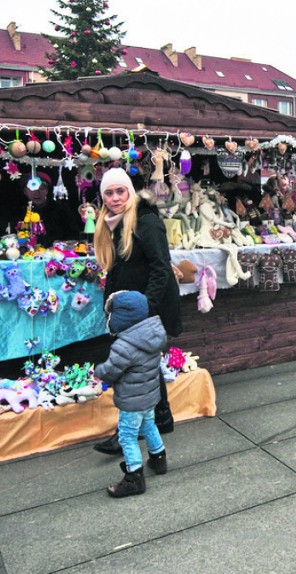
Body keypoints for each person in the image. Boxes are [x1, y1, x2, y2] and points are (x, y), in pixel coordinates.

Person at [93, 168, 182, 455]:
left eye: (121, 191)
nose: (115, 197)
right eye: (109, 192)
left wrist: (146, 307)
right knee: (145, 365)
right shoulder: (114, 223)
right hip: (130, 308)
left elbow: (161, 268)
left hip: (144, 308)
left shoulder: (146, 222)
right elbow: (121, 268)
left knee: (134, 369)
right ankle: (162, 417)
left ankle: (128, 432)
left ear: (130, 192)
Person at [96, 290, 168, 498]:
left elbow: (111, 370)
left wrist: (98, 371)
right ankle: (158, 458)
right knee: (149, 425)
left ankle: (134, 477)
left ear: (121, 318)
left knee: (127, 436)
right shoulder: (152, 334)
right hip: (149, 395)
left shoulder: (124, 345)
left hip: (132, 400)